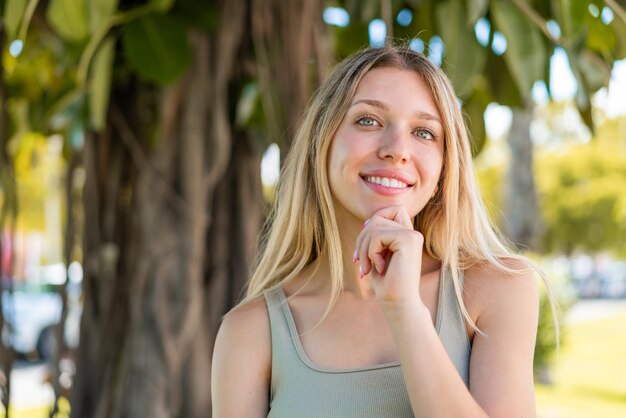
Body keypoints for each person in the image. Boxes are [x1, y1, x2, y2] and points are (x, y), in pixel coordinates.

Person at [212, 46, 541, 417]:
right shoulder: (252, 331)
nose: (397, 150)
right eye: (368, 120)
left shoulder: (496, 289)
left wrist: (403, 308)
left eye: (424, 132)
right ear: (323, 144)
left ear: (443, 173)